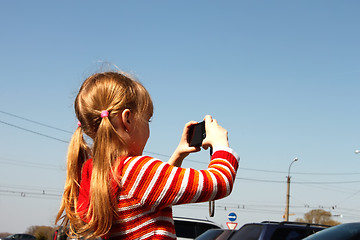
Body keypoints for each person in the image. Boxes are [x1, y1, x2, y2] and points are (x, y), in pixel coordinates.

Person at [56, 71, 240, 240]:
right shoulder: (136, 171)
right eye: (147, 119)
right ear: (127, 119)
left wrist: (178, 155)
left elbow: (150, 195)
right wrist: (221, 145)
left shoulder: (98, 175)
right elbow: (220, 182)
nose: (148, 127)